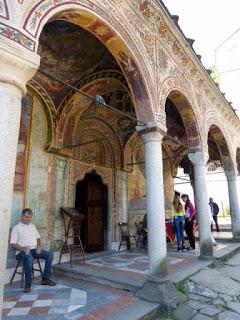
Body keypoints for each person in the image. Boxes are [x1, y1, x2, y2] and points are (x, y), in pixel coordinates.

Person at [10, 208, 56, 293]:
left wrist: (38, 246)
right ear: (22, 217)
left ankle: (45, 279)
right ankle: (28, 284)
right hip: (21, 252)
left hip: (33, 250)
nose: (28, 219)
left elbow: (38, 237)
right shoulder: (16, 228)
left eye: (30, 217)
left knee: (50, 255)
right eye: (27, 217)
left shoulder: (32, 226)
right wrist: (22, 248)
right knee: (28, 257)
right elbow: (13, 244)